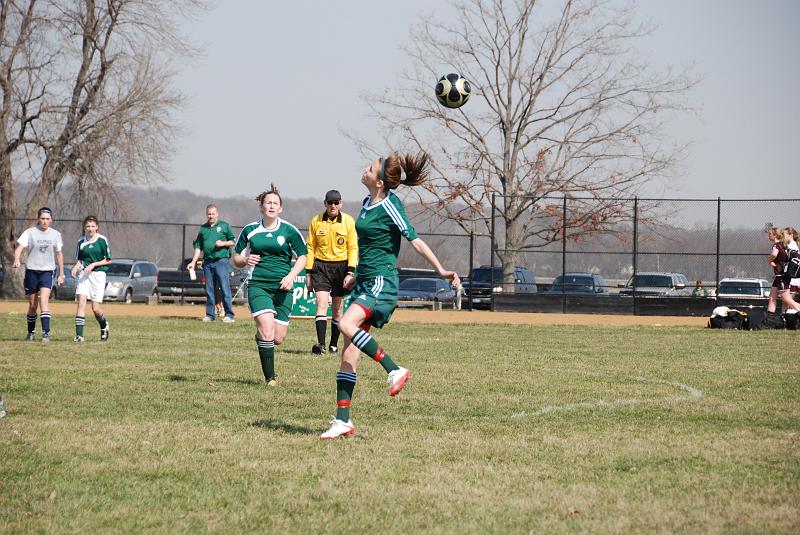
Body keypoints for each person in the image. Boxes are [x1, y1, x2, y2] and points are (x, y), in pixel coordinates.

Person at [320, 151, 460, 440]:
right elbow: (371, 245)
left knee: (345, 325)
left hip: (381, 282)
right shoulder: (366, 203)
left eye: (369, 168)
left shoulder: (390, 204)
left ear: (380, 182)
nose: (364, 169)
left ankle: (394, 369)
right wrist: (356, 275)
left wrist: (441, 270)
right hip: (364, 282)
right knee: (348, 355)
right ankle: (343, 420)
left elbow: (414, 239)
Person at [231, 184, 307, 386]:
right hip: (258, 285)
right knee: (267, 329)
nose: (272, 206)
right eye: (268, 203)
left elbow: (303, 257)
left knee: (278, 338)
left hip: (283, 287)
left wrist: (291, 276)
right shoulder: (251, 230)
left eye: (275, 203)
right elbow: (236, 258)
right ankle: (270, 378)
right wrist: (245, 260)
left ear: (280, 208)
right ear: (261, 207)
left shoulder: (289, 230)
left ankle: (261, 337)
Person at [305, 189, 358, 355]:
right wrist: (308, 272)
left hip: (341, 267)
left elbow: (353, 247)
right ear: (325, 204)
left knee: (337, 309)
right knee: (321, 304)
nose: (333, 205)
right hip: (320, 266)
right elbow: (311, 247)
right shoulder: (316, 221)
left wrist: (350, 272)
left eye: (336, 202)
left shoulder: (348, 221)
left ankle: (333, 345)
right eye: (330, 203)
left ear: (340, 204)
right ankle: (320, 345)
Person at [12, 207, 65, 342]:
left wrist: (62, 273)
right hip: (32, 271)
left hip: (47, 271)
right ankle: (31, 332)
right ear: (38, 219)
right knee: (32, 304)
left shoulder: (55, 235)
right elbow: (19, 249)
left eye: (47, 219)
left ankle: (46, 333)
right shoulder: (30, 233)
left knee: (44, 300)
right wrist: (17, 260)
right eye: (42, 218)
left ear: (51, 220)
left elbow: (59, 254)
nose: (45, 221)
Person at [187, 204, 236, 323]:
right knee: (209, 289)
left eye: (213, 213)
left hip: (221, 261)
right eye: (209, 214)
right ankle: (210, 315)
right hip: (208, 263)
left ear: (217, 214)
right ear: (206, 214)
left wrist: (223, 243)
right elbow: (198, 248)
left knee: (224, 288)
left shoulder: (224, 226)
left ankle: (229, 315)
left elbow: (233, 241)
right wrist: (193, 262)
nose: (211, 216)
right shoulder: (203, 228)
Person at [71, 215, 113, 342]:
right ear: (84, 227)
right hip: (84, 275)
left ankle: (104, 325)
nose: (90, 228)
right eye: (88, 226)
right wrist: (75, 267)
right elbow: (80, 260)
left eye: (93, 226)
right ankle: (79, 336)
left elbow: (108, 260)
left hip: (98, 275)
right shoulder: (81, 242)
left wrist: (94, 264)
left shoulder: (102, 240)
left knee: (95, 309)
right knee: (81, 303)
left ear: (97, 227)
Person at [767, 226, 800, 313]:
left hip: (782, 275)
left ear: (775, 235)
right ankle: (769, 317)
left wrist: (769, 260)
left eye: (770, 234)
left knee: (787, 299)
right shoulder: (785, 245)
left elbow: (774, 255)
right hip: (779, 275)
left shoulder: (777, 245)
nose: (768, 236)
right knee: (772, 297)